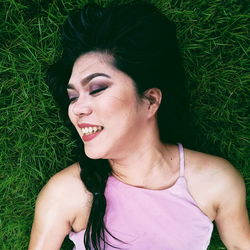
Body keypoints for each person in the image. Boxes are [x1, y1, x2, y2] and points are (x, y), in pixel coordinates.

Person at [28, 2, 250, 250]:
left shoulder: (215, 181)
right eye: (73, 97)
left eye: (97, 88)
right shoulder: (66, 194)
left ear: (151, 100)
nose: (77, 108)